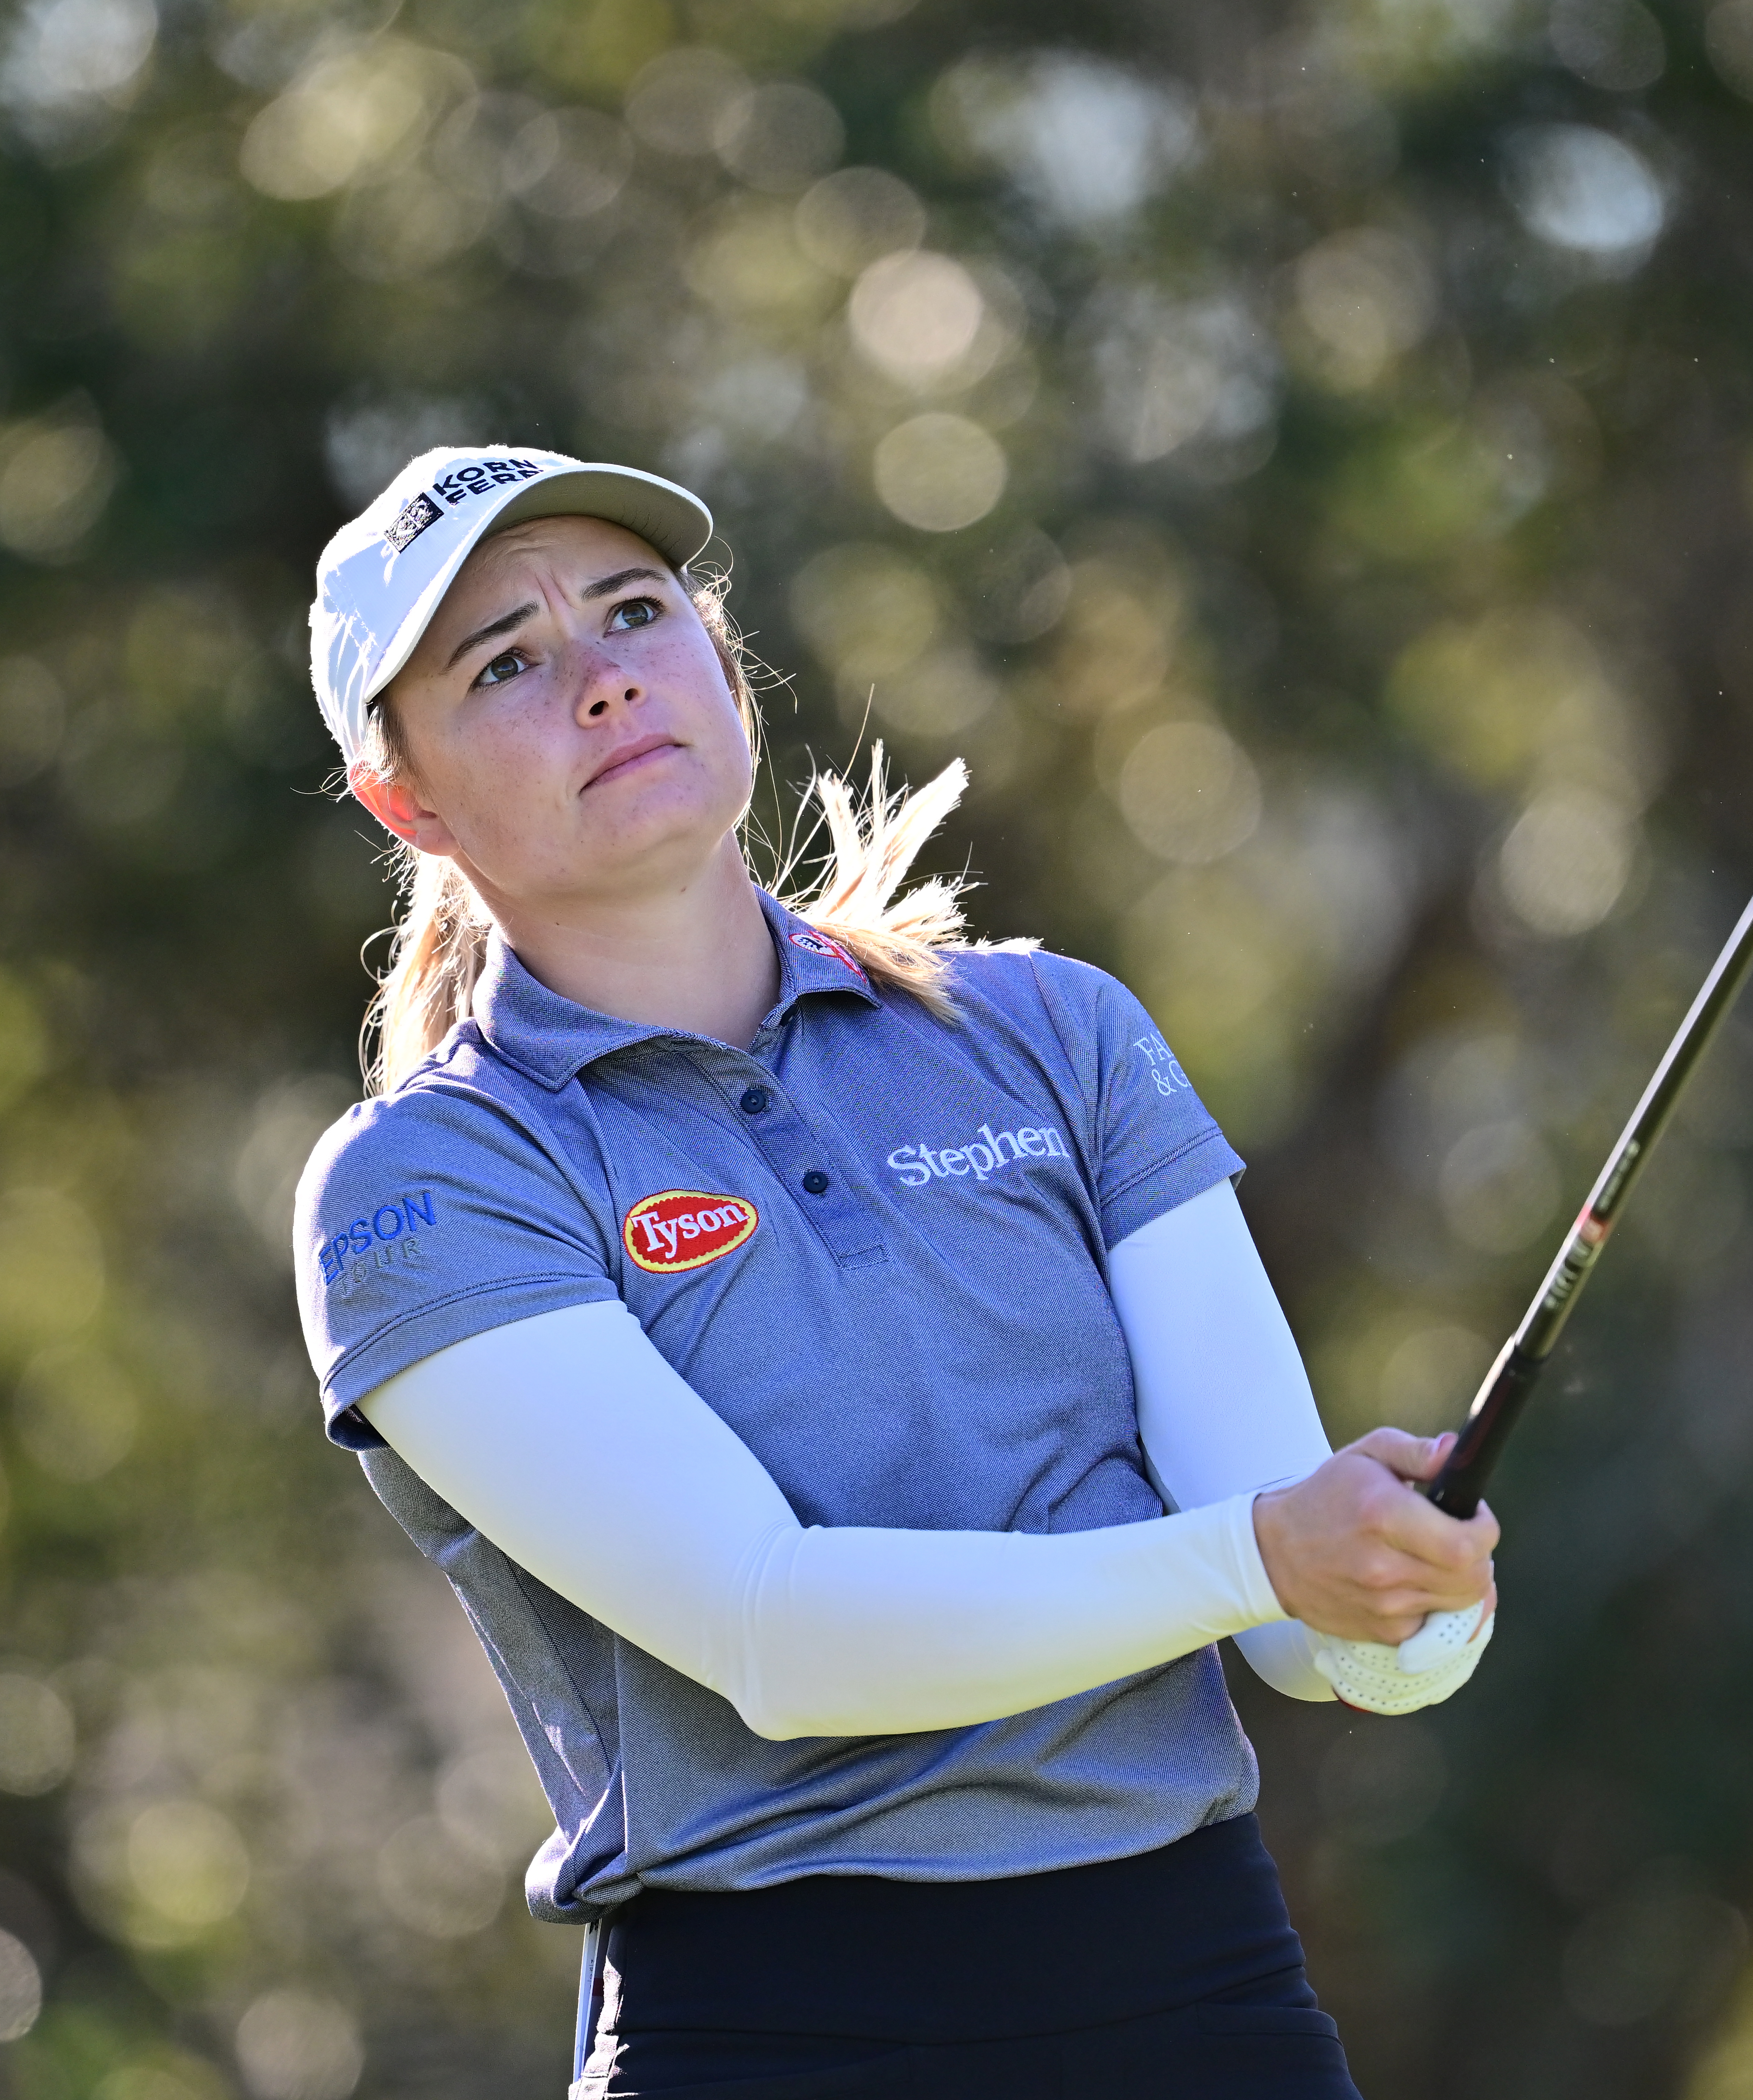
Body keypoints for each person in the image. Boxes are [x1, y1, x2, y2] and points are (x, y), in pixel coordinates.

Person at [290, 445, 1502, 2099]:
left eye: (634, 612)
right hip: (779, 2030)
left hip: (1202, 1999)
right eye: (505, 663)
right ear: (406, 798)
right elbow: (777, 1633)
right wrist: (1265, 1558)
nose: (600, 680)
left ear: (720, 663)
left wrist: (1398, 1594)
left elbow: (1302, 1632)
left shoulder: (1052, 1031)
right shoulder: (429, 1181)